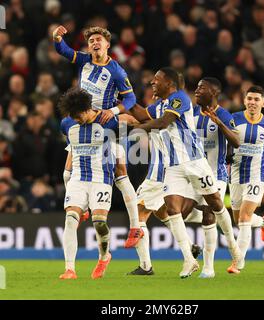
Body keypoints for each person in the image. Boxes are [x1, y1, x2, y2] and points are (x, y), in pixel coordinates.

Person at [134, 67, 242, 278]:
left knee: (217, 206)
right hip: (173, 166)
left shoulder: (180, 99)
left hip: (195, 162)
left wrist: (136, 129)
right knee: (173, 209)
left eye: (157, 79)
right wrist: (123, 100)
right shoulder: (161, 105)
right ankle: (189, 259)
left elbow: (163, 123)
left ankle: (234, 248)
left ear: (170, 83)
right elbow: (140, 113)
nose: (152, 83)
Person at [53, 25, 142, 245]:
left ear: (107, 44)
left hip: (105, 124)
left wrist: (112, 111)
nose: (95, 43)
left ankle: (135, 226)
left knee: (121, 175)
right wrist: (57, 38)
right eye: (91, 40)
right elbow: (64, 51)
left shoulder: (117, 71)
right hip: (81, 122)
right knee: (67, 173)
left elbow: (130, 99)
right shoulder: (84, 61)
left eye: (98, 40)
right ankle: (80, 205)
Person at [58, 87, 131, 279]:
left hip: (101, 179)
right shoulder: (67, 124)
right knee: (70, 218)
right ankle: (69, 269)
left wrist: (120, 169)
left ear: (86, 109)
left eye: (77, 115)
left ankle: (104, 256)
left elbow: (122, 140)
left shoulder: (109, 122)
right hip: (78, 179)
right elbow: (72, 147)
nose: (75, 120)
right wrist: (67, 174)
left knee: (99, 223)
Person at [228, 85, 264, 273]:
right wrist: (226, 155)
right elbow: (224, 139)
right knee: (239, 219)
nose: (252, 102)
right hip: (235, 174)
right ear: (244, 101)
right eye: (249, 98)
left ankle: (238, 262)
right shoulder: (233, 119)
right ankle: (263, 222)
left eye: (256, 99)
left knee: (244, 218)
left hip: (256, 176)